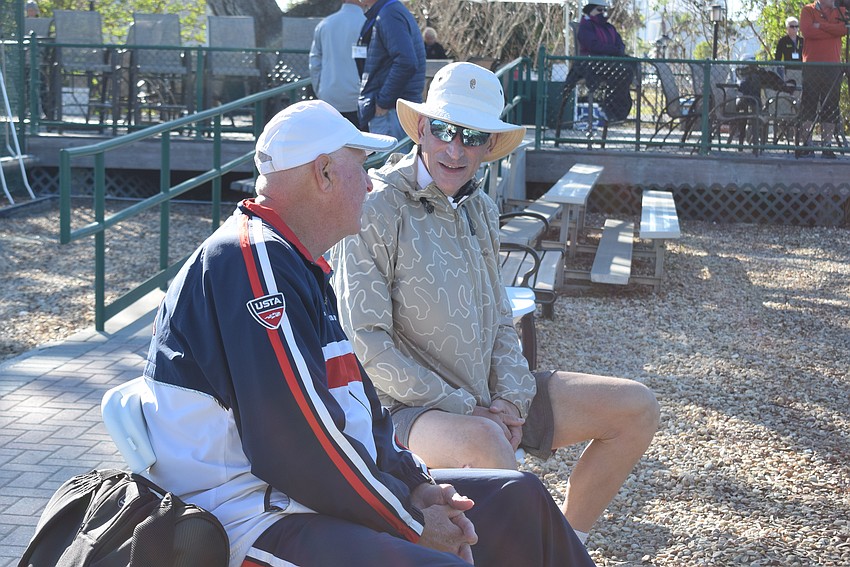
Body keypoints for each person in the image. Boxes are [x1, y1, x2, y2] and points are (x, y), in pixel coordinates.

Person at [138, 99, 595, 567]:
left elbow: (358, 411)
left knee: (519, 497)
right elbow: (298, 442)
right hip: (250, 517)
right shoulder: (252, 261)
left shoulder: (294, 260)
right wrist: (410, 522)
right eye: (362, 165)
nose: (372, 180)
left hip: (303, 499)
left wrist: (419, 486)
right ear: (324, 175)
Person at [331, 62, 660, 546]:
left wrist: (509, 399)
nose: (455, 148)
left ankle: (566, 543)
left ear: (489, 146)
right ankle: (543, 552)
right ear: (422, 127)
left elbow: (501, 317)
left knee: (635, 406)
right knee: (485, 445)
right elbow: (366, 343)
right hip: (403, 411)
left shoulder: (481, 206)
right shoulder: (377, 204)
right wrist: (470, 409)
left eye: (472, 136)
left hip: (485, 400)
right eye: (444, 129)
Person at [355, 0, 426, 138]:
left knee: (393, 160)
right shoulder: (391, 10)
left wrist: (382, 103)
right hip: (394, 111)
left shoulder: (389, 14)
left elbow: (406, 62)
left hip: (391, 113)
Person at [798, 0, 847, 159]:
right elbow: (808, 31)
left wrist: (820, 25)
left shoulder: (840, 11)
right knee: (809, 105)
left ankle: (827, 145)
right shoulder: (808, 10)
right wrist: (831, 30)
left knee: (831, 106)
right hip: (812, 66)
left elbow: (844, 30)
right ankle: (807, 144)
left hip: (832, 68)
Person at [574, 0, 635, 122]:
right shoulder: (586, 26)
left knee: (632, 64)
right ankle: (610, 107)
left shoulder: (609, 27)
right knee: (623, 70)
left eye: (604, 10)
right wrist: (613, 50)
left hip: (611, 62)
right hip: (593, 64)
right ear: (589, 10)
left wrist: (618, 50)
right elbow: (594, 46)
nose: (603, 13)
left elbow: (619, 44)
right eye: (599, 10)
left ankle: (619, 107)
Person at [309, 0, 366, 126]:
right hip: (359, 99)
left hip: (329, 96)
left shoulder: (324, 24)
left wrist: (320, 90)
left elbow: (314, 63)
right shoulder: (369, 24)